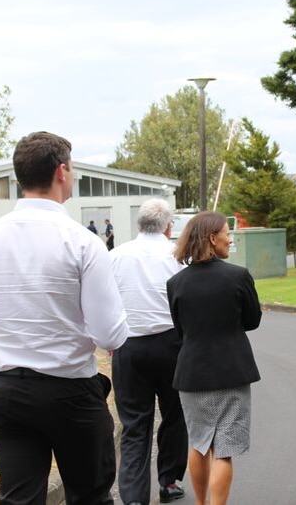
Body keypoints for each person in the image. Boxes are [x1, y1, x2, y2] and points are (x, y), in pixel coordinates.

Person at [0, 131, 129, 504]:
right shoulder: (82, 242)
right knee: (90, 496)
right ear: (62, 171)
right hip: (69, 389)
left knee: (19, 499)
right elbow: (109, 334)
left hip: (8, 390)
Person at [166, 211, 262, 505]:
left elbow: (180, 329)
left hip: (192, 374)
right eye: (226, 234)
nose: (230, 239)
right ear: (211, 238)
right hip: (232, 372)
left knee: (198, 443)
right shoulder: (238, 276)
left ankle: (200, 503)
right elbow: (252, 319)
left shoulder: (175, 283)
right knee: (224, 449)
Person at [110, 198, 188, 505]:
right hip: (171, 344)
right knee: (174, 415)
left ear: (138, 225)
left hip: (129, 345)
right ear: (168, 226)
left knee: (134, 424)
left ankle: (132, 497)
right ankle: (168, 481)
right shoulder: (179, 257)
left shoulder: (115, 255)